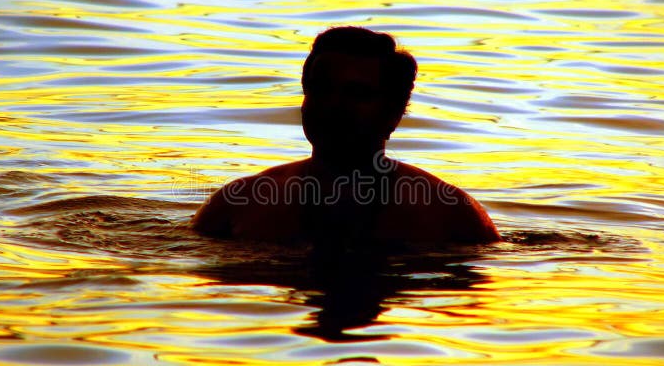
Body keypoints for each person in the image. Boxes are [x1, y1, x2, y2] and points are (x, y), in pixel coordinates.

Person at [191, 26, 501, 246]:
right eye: (321, 90)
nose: (334, 105)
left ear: (394, 114)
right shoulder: (238, 204)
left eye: (357, 94)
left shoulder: (450, 215)